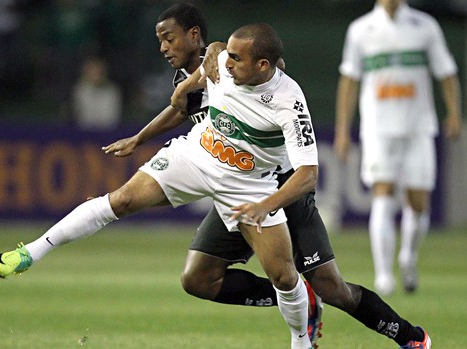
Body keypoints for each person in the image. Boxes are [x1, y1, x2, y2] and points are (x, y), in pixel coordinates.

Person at [105, 3, 432, 349]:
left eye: (169, 39)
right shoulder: (203, 73)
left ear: (195, 37)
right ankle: (297, 297)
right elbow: (181, 109)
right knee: (197, 279)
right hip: (239, 187)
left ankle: (412, 337)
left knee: (331, 285)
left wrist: (266, 204)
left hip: (282, 185)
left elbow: (275, 74)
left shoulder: (238, 69)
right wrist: (141, 138)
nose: (163, 48)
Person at [0, 22, 316, 349]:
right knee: (122, 199)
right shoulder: (222, 60)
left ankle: (301, 341)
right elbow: (209, 61)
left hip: (248, 185)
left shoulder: (289, 103)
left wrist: (265, 205)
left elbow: (308, 175)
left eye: (237, 59)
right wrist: (186, 87)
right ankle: (32, 252)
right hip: (196, 155)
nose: (227, 64)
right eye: (228, 55)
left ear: (262, 65)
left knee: (284, 278)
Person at [334, 0, 462, 299]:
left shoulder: (425, 26)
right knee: (383, 191)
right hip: (379, 127)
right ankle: (383, 276)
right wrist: (342, 130)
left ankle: (408, 257)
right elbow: (349, 81)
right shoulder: (361, 30)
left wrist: (454, 113)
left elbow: (446, 72)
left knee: (418, 202)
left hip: (418, 126)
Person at [71, 55, 123, 131]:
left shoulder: (112, 91)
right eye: (92, 70)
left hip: (109, 134)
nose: (95, 74)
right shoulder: (80, 91)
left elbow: (112, 119)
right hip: (84, 135)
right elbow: (81, 118)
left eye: (98, 70)